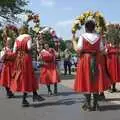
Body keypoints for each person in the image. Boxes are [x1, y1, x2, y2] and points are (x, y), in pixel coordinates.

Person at [72, 19, 111, 111]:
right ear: (94, 28)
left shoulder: (82, 36)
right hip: (96, 60)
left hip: (85, 59)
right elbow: (102, 50)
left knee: (87, 80)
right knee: (96, 81)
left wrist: (73, 41)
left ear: (85, 27)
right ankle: (95, 104)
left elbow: (78, 49)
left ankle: (88, 104)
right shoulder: (98, 37)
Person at [10, 26, 45, 107]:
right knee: (28, 77)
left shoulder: (17, 38)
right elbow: (29, 48)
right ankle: (24, 99)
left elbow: (14, 50)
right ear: (26, 30)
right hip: (26, 58)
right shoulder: (28, 37)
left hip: (18, 59)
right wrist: (34, 44)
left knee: (26, 76)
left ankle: (35, 94)